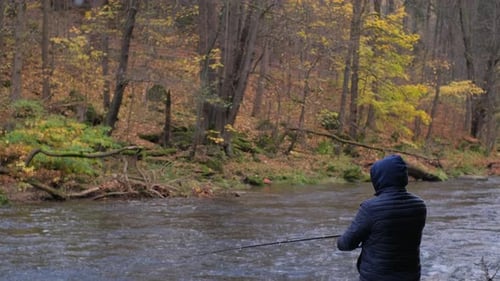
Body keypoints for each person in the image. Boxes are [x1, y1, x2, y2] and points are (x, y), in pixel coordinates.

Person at [337, 154, 427, 281]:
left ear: (379, 178)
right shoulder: (420, 205)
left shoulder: (370, 208)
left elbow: (345, 244)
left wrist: (347, 236)